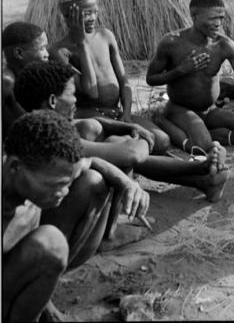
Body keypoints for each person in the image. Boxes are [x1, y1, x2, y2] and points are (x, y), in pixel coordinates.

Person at [3, 109, 149, 322]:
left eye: (67, 183)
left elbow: (90, 162)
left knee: (92, 181)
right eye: (57, 186)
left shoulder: (38, 167)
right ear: (15, 166)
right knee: (51, 243)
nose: (63, 193)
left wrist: (127, 184)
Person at [15, 60, 229, 203]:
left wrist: (130, 126)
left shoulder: (43, 121)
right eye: (71, 94)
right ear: (53, 101)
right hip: (63, 206)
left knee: (95, 128)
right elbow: (133, 155)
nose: (76, 100)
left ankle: (202, 177)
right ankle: (111, 234)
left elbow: (93, 120)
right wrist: (140, 138)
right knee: (117, 151)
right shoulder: (49, 137)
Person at [147, 0, 234, 154]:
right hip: (180, 109)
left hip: (209, 110)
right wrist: (181, 70)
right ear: (194, 16)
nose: (218, 23)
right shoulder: (171, 42)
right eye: (212, 18)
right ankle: (161, 120)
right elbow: (151, 79)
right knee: (202, 148)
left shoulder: (224, 45)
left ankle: (202, 135)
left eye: (221, 18)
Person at [49, 0, 170, 154]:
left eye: (94, 12)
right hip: (92, 116)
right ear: (69, 17)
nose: (92, 18)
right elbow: (92, 92)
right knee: (127, 143)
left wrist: (127, 113)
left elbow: (123, 80)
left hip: (117, 112)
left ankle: (128, 147)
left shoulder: (105, 36)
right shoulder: (59, 50)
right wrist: (81, 44)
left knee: (162, 141)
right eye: (85, 14)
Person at [2, 21, 49, 138]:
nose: (47, 54)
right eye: (41, 49)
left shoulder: (31, 78)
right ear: (19, 53)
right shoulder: (6, 82)